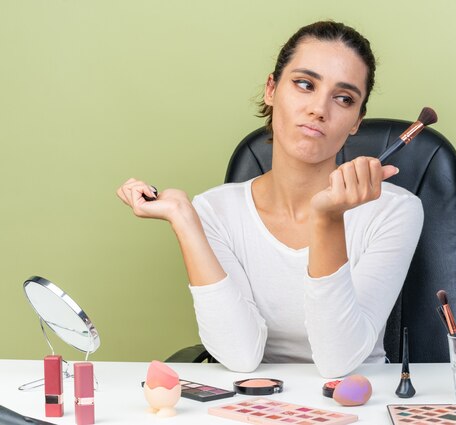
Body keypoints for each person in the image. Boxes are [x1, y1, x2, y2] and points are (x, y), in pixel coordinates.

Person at [116, 21, 423, 378]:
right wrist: (185, 220)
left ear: (356, 121)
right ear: (271, 90)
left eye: (344, 98)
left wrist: (327, 219)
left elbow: (339, 361)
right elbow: (240, 356)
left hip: (359, 398)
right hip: (253, 400)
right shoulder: (214, 211)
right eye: (305, 84)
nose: (319, 109)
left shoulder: (396, 210)